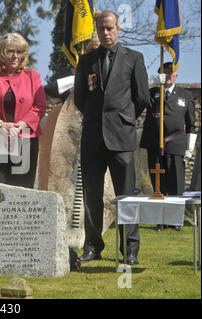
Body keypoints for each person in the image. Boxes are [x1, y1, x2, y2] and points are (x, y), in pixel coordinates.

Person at [74, 11, 151, 265]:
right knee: (91, 194)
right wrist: (98, 119)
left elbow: (141, 98)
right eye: (101, 29)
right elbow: (80, 99)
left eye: (110, 28)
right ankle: (93, 245)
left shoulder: (134, 58)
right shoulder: (86, 61)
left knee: (126, 196)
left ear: (119, 29)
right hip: (93, 138)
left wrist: (122, 118)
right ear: (97, 30)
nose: (105, 33)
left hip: (121, 136)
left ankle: (130, 249)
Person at [0, 32, 47, 269]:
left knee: (21, 193)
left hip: (24, 139)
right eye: (10, 51)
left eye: (20, 52)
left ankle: (20, 249)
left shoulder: (33, 77)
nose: (15, 56)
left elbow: (39, 106)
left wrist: (20, 125)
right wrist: (0, 125)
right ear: (0, 52)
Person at [140, 62, 197, 231]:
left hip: (176, 144)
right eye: (164, 73)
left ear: (176, 75)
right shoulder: (152, 93)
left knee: (177, 183)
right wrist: (154, 83)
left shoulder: (185, 95)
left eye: (170, 73)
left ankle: (175, 220)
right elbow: (139, 95)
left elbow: (191, 123)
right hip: (154, 144)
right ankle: (161, 220)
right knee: (159, 184)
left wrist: (189, 147)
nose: (168, 76)